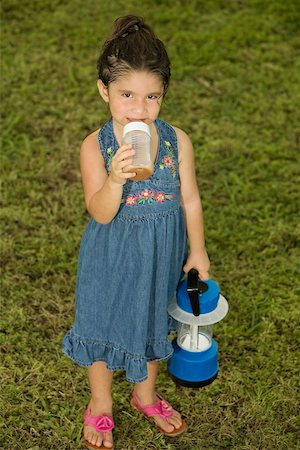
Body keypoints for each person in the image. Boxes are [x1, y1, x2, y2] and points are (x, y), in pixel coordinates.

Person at [62, 14, 210, 450]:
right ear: (104, 90)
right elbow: (101, 213)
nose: (139, 109)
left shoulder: (177, 141)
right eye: (127, 95)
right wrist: (114, 180)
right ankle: (100, 404)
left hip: (160, 254)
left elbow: (190, 200)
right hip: (112, 255)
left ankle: (145, 393)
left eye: (152, 97)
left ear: (163, 96)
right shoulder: (96, 146)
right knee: (104, 326)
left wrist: (197, 251)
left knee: (151, 320)